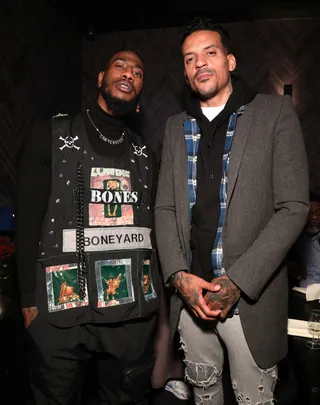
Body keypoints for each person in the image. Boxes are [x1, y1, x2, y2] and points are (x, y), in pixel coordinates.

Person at [154, 17, 310, 405]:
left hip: (249, 301)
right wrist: (178, 276)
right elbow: (165, 206)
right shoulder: (176, 127)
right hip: (191, 298)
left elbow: (293, 208)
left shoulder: (274, 113)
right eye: (190, 59)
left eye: (210, 52)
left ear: (231, 60)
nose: (200, 63)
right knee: (204, 395)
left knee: (253, 399)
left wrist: (238, 281)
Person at [15, 49, 162, 405]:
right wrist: (28, 302)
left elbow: (156, 230)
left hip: (130, 317)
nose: (129, 73)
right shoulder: (50, 136)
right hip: (60, 315)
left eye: (138, 72)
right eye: (120, 65)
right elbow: (28, 221)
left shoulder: (146, 157)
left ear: (141, 89)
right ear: (101, 77)